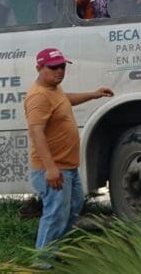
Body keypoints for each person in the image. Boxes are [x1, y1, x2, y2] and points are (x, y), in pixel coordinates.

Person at [24, 48, 114, 252]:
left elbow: (66, 99)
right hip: (55, 169)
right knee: (55, 213)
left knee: (73, 207)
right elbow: (36, 134)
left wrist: (93, 95)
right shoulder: (38, 97)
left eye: (62, 66)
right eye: (53, 67)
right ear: (39, 68)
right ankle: (43, 262)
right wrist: (51, 169)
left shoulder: (53, 90)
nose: (60, 71)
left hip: (68, 167)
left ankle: (57, 250)